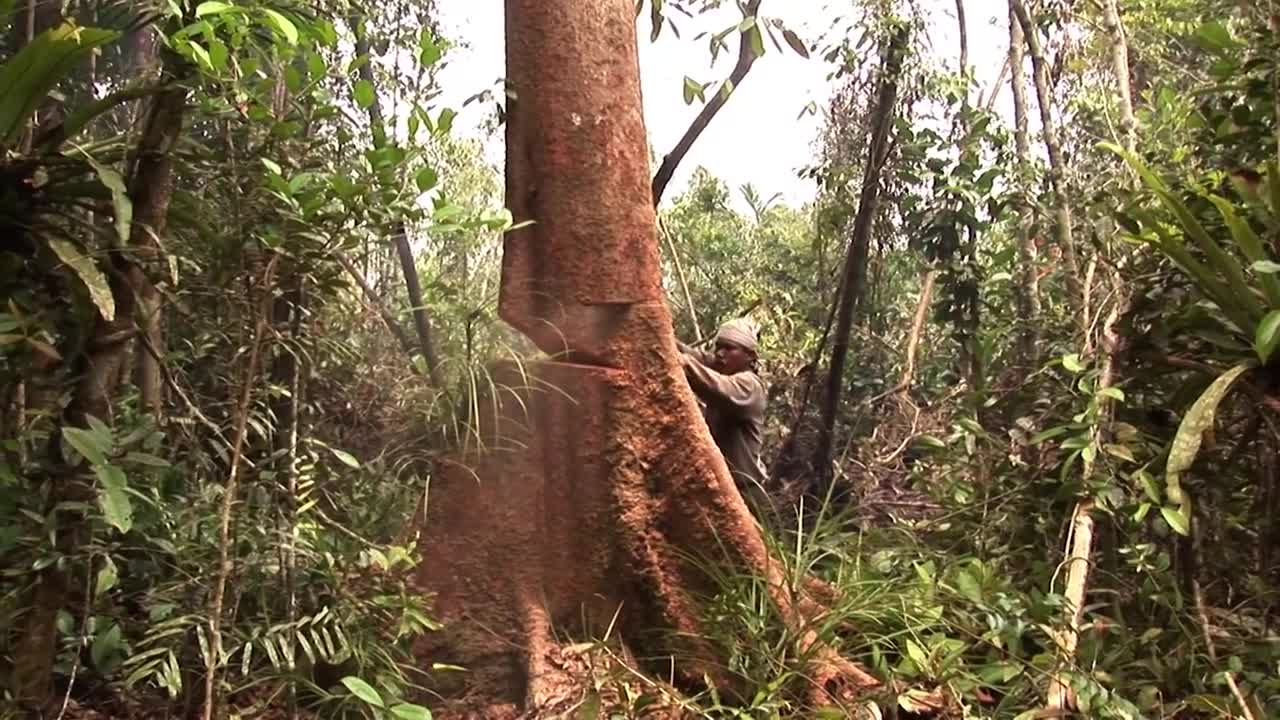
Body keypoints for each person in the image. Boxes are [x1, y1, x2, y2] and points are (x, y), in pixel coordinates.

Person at [677, 318, 771, 514]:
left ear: (749, 356)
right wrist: (662, 338)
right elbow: (697, 356)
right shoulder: (724, 367)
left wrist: (682, 363)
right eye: (718, 347)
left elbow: (717, 387)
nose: (720, 354)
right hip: (723, 487)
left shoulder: (749, 385)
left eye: (729, 349)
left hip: (746, 493)